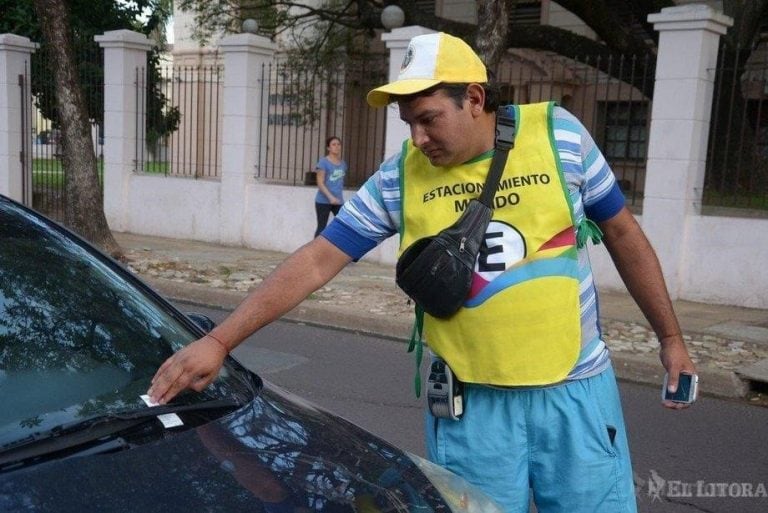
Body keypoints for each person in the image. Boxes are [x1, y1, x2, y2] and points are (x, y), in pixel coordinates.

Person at [148, 32, 696, 513]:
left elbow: (623, 232)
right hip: (471, 407)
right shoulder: (400, 178)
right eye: (408, 123)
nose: (417, 139)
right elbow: (318, 258)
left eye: (428, 119)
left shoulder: (561, 137)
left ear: (474, 99)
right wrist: (219, 341)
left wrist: (670, 338)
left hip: (575, 392)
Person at [313, 136, 347, 238]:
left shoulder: (343, 164)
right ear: (328, 148)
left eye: (338, 144)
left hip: (338, 201)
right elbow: (320, 183)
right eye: (333, 144)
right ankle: (316, 252)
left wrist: (337, 198)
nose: (336, 147)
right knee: (322, 227)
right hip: (323, 201)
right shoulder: (323, 163)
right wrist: (330, 197)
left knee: (345, 225)